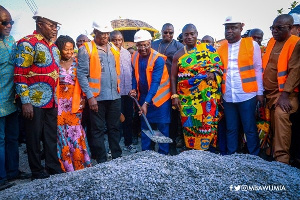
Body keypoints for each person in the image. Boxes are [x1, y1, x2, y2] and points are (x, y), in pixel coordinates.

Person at [14, 9, 64, 180]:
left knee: (50, 135)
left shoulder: (54, 47)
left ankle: (52, 167)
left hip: (51, 101)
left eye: (56, 26)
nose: (55, 29)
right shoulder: (28, 43)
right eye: (51, 25)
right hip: (34, 101)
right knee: (34, 138)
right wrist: (25, 102)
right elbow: (20, 74)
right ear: (40, 24)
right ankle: (37, 171)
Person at [171, 24, 223, 150]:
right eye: (186, 34)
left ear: (197, 34)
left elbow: (218, 66)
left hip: (206, 96)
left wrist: (213, 73)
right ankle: (191, 149)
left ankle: (207, 149)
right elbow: (173, 77)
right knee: (190, 124)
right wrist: (174, 96)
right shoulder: (178, 55)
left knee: (207, 122)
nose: (189, 37)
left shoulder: (208, 50)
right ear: (182, 37)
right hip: (187, 97)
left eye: (192, 34)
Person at [217, 16, 263, 156]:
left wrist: (260, 92)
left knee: (249, 127)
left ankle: (254, 156)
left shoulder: (252, 45)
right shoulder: (222, 47)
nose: (229, 31)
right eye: (227, 28)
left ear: (241, 28)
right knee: (231, 128)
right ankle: (232, 156)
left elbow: (258, 69)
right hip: (228, 95)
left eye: (233, 28)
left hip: (247, 94)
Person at [77, 21, 122, 163]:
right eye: (102, 33)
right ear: (95, 32)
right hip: (97, 98)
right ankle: (102, 161)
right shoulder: (86, 49)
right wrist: (90, 97)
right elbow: (82, 75)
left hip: (114, 96)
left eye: (107, 33)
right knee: (97, 130)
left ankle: (117, 157)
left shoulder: (113, 48)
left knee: (114, 128)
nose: (105, 36)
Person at [262, 14, 300, 165]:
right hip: (269, 93)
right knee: (269, 122)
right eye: (273, 28)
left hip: (286, 94)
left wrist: (284, 94)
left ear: (291, 28)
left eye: (279, 28)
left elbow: (296, 71)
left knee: (280, 114)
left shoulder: (296, 43)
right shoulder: (271, 42)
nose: (274, 31)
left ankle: (282, 160)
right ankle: (270, 153)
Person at [0, 6, 30, 191]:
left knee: (12, 138)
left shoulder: (11, 41)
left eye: (11, 22)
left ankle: (12, 172)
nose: (9, 25)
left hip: (11, 101)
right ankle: (1, 177)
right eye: (5, 22)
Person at [129, 30, 171, 155]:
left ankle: (164, 155)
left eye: (145, 45)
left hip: (160, 98)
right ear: (136, 45)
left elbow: (155, 82)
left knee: (162, 126)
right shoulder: (135, 56)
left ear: (150, 43)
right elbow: (134, 75)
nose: (142, 48)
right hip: (143, 96)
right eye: (139, 45)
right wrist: (134, 89)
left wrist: (146, 103)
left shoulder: (158, 59)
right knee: (145, 126)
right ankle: (146, 155)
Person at [55, 35, 91, 172]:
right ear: (59, 50)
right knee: (61, 134)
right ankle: (66, 165)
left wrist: (83, 100)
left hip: (75, 102)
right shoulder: (54, 64)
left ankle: (79, 162)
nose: (69, 52)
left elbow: (83, 81)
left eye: (71, 49)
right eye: (66, 50)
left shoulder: (77, 62)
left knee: (75, 132)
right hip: (59, 104)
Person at [152, 23, 184, 155]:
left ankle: (170, 145)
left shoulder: (179, 46)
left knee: (172, 117)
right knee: (156, 115)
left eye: (171, 33)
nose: (168, 35)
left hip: (172, 85)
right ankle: (154, 143)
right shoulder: (154, 44)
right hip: (155, 84)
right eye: (165, 32)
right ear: (162, 32)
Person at [110, 30, 137, 153]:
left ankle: (128, 143)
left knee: (128, 119)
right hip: (116, 93)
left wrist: (133, 88)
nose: (117, 42)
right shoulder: (108, 53)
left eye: (119, 39)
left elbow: (131, 72)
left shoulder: (127, 53)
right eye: (114, 40)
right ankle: (114, 147)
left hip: (128, 92)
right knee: (116, 120)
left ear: (123, 41)